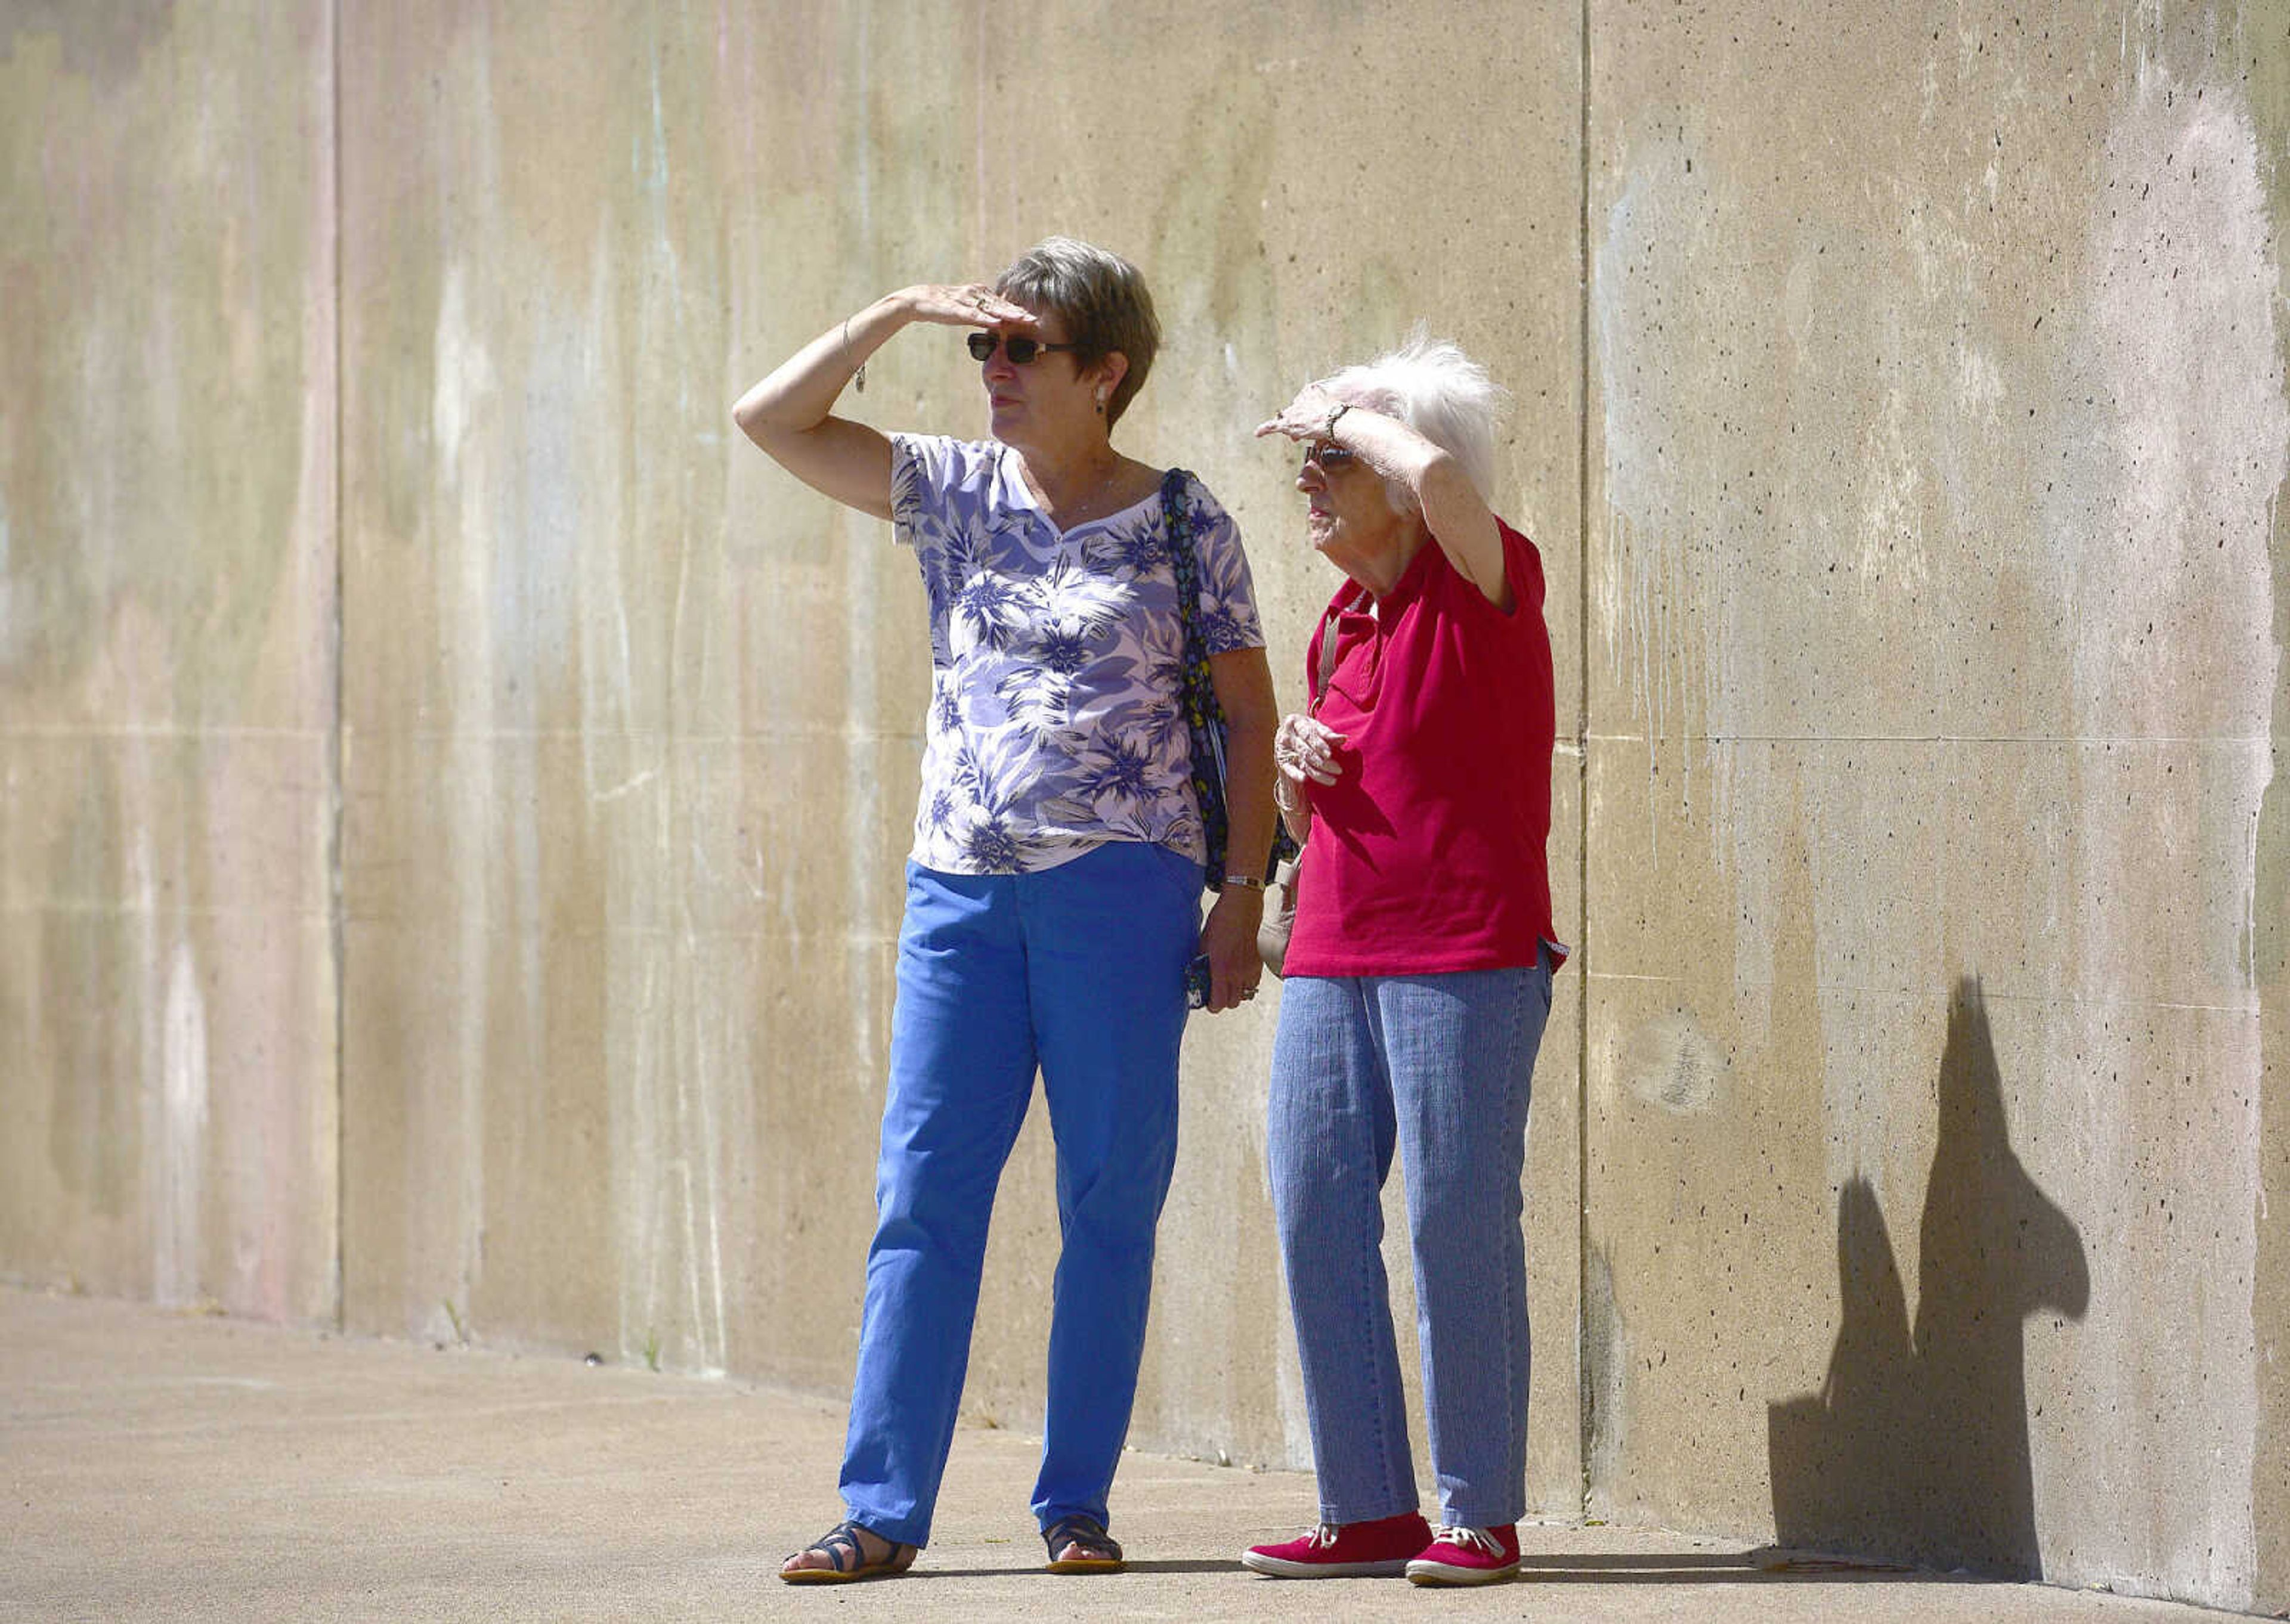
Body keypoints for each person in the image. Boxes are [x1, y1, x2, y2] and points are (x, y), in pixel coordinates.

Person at [731, 238, 1279, 1583]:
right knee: (923, 1196)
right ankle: (880, 1511)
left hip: (1125, 891)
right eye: (984, 346)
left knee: (1109, 1196)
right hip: (961, 893)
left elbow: (1254, 719)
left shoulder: (1183, 520)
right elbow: (770, 418)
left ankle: (1075, 1504)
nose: (993, 370)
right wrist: (897, 307)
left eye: (1022, 348)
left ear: (1106, 372)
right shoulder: (951, 487)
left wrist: (1244, 892)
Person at [1239, 331, 1565, 1588]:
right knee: (1318, 1207)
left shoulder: (1488, 577)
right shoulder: (1339, 626)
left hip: (1466, 957)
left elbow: (1438, 479)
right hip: (1333, 952)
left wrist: (1350, 407)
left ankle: (1478, 1508)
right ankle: (1367, 1506)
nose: (1310, 478)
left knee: (1454, 1218)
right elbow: (1318, 827)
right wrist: (1293, 774)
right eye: (1309, 460)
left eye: (1333, 459)